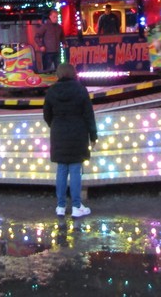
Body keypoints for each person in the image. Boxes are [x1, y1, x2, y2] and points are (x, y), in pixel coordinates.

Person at [43, 63, 97, 218]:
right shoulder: (80, 89)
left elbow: (46, 114)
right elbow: (88, 114)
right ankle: (76, 206)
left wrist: (54, 125)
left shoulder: (51, 91)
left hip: (58, 132)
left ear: (58, 74)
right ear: (74, 73)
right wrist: (93, 136)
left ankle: (60, 206)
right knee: (75, 170)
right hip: (78, 132)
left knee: (61, 169)